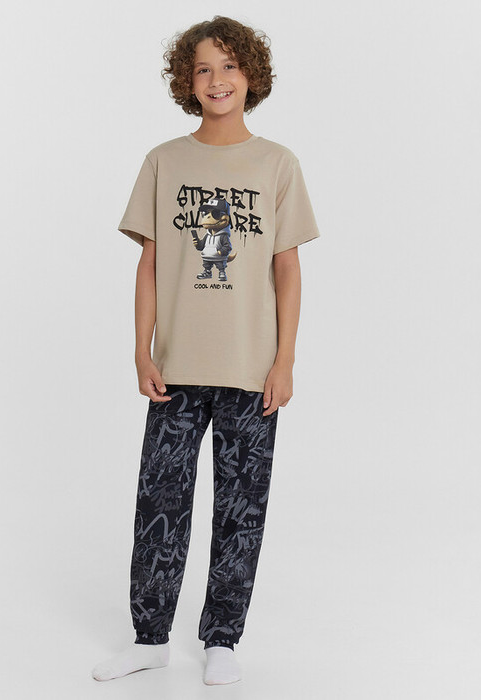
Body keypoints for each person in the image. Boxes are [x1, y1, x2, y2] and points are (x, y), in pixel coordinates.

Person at [92, 15, 320, 686]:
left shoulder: (277, 164)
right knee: (160, 501)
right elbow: (149, 264)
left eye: (229, 65)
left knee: (240, 506)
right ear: (186, 82)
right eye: (202, 69)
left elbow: (287, 269)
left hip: (252, 369)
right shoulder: (164, 161)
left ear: (251, 75)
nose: (216, 79)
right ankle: (149, 638)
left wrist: (284, 359)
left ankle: (222, 638)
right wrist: (142, 350)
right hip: (177, 366)